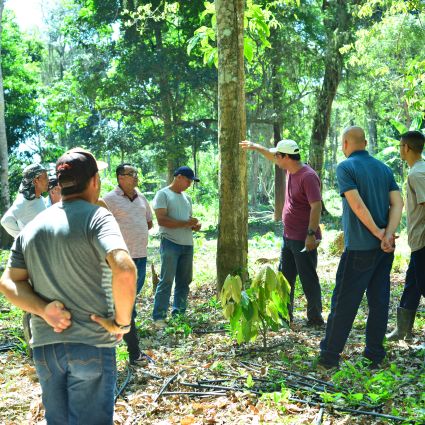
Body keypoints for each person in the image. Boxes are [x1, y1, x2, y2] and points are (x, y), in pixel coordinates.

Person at [0, 148, 137, 424]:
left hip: (46, 349)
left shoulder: (33, 225)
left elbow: (8, 281)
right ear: (95, 180)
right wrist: (122, 324)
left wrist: (43, 309)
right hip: (92, 343)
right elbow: (124, 270)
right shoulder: (98, 218)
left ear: (60, 184)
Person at [318, 126, 403, 369]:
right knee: (379, 301)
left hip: (359, 248)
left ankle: (329, 357)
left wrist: (377, 233)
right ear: (364, 143)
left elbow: (356, 204)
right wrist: (387, 235)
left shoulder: (346, 167)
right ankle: (374, 355)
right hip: (385, 250)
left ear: (345, 143)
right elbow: (398, 203)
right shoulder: (383, 168)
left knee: (344, 302)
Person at [240, 139, 324, 326]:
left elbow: (316, 206)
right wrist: (255, 146)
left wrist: (311, 234)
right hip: (288, 236)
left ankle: (315, 318)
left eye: (278, 155)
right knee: (284, 278)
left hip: (304, 238)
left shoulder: (307, 176)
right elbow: (270, 154)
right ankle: (284, 316)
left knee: (308, 278)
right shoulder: (289, 169)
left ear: (286, 157)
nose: (275, 158)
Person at [103, 163, 153, 364]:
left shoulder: (141, 197)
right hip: (120, 260)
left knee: (130, 301)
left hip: (140, 257)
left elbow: (149, 222)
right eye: (131, 174)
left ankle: (129, 342)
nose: (135, 177)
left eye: (136, 173)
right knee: (126, 304)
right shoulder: (108, 200)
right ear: (120, 177)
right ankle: (133, 351)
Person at [387, 130, 425, 341]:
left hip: (423, 241)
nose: (400, 149)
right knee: (412, 283)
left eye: (401, 146)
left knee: (422, 284)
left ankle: (403, 330)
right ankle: (402, 330)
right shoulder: (418, 170)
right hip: (417, 240)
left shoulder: (417, 174)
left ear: (406, 148)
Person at [152, 166, 201, 328]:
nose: (189, 184)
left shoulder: (187, 198)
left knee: (184, 281)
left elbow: (186, 220)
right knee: (166, 280)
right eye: (188, 180)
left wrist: (194, 225)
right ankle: (159, 316)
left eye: (191, 182)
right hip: (170, 243)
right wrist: (186, 223)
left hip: (187, 244)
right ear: (178, 177)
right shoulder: (163, 194)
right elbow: (162, 220)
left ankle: (178, 314)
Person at [1, 163, 49, 237]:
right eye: (45, 177)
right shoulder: (24, 201)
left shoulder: (41, 199)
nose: (48, 180)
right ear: (36, 181)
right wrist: (22, 239)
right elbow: (6, 221)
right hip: (31, 248)